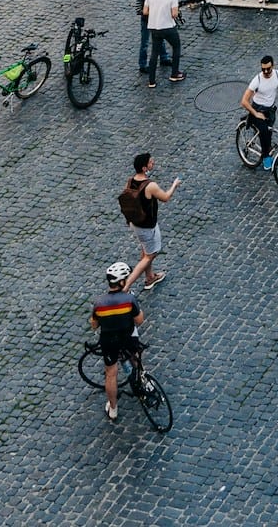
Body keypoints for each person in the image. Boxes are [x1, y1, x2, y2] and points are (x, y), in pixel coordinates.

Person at [89, 256, 150, 422]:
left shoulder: (99, 303)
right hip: (128, 337)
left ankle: (113, 408)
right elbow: (139, 320)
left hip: (109, 341)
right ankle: (144, 382)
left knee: (111, 373)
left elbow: (94, 325)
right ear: (122, 282)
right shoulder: (130, 299)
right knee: (135, 359)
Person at [117, 153, 178, 292]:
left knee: (145, 249)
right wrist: (174, 185)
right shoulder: (150, 186)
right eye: (150, 162)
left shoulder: (130, 181)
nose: (153, 163)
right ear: (145, 168)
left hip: (135, 223)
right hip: (147, 226)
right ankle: (126, 286)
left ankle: (150, 277)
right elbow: (166, 197)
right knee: (150, 255)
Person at [240, 55, 278, 170]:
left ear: (273, 66)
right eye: (263, 69)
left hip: (270, 110)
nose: (266, 71)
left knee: (269, 133)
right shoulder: (257, 80)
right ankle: (266, 159)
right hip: (257, 109)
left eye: (268, 69)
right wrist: (255, 114)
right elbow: (244, 102)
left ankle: (267, 150)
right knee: (264, 133)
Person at [144, 0, 184, 86]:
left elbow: (145, 11)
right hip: (168, 27)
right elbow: (174, 14)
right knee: (176, 47)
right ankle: (174, 74)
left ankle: (151, 81)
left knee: (154, 53)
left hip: (154, 27)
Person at [135, 0, 172, 75]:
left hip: (156, 19)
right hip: (146, 21)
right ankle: (142, 64)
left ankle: (164, 58)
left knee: (161, 39)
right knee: (145, 43)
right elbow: (138, 10)